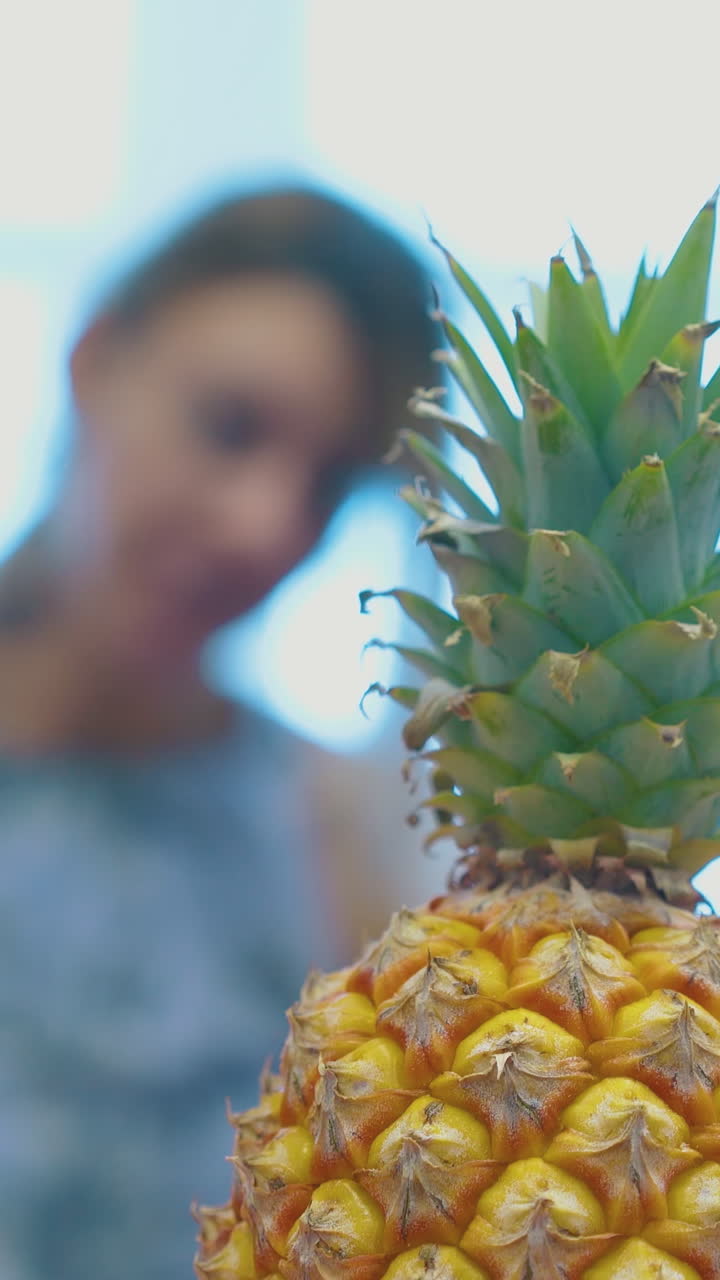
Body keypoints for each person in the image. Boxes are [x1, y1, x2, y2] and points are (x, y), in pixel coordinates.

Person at [0, 183, 437, 1280]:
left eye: (327, 484)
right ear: (96, 360)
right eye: (230, 425)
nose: (266, 526)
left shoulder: (333, 833)